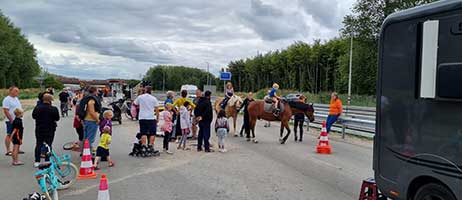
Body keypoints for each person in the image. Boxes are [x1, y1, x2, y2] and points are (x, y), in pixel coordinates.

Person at [32, 94, 60, 168]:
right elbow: (57, 118)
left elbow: (34, 116)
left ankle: (37, 161)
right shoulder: (54, 109)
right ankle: (47, 160)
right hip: (50, 128)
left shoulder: (37, 108)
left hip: (39, 128)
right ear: (50, 100)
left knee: (38, 144)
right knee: (49, 144)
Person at [133, 86, 160, 156]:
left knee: (143, 132)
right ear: (151, 91)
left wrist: (139, 108)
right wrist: (157, 118)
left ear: (145, 90)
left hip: (142, 117)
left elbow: (134, 104)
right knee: (152, 133)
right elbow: (157, 109)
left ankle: (143, 146)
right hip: (151, 117)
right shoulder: (154, 98)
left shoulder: (140, 97)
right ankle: (150, 146)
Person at [3, 86, 22, 156]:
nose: (17, 92)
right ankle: (8, 150)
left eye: (18, 91)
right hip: (11, 120)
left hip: (17, 120)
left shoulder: (16, 98)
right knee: (9, 134)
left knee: (17, 135)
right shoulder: (7, 99)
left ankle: (16, 148)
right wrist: (11, 120)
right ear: (10, 91)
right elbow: (6, 110)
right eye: (15, 91)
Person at [81, 86, 102, 153]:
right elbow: (91, 111)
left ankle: (84, 152)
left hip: (86, 119)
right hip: (91, 120)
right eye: (97, 90)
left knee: (86, 138)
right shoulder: (92, 99)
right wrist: (97, 119)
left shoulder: (86, 98)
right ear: (95, 91)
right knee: (90, 138)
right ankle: (88, 154)